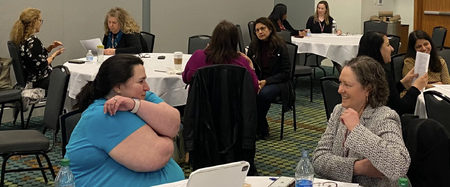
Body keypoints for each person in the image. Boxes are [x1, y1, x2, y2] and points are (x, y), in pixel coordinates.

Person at [65, 54, 184, 186]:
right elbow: (159, 155)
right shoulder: (106, 112)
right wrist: (167, 136)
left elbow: (174, 123)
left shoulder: (140, 97)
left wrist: (135, 106)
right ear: (118, 87)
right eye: (141, 81)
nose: (147, 87)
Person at [313, 56, 410, 186]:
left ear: (368, 89)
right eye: (340, 82)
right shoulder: (339, 111)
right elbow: (318, 160)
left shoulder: (384, 116)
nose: (340, 90)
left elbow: (399, 165)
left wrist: (357, 130)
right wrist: (356, 168)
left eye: (347, 85)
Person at [357, 31, 428, 116]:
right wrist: (416, 88)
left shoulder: (359, 68)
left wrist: (402, 84)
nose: (392, 49)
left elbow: (387, 96)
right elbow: (399, 109)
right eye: (387, 45)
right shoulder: (380, 73)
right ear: (377, 50)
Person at [182, 20, 259, 93]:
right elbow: (254, 89)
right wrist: (250, 65)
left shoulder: (198, 55)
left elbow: (185, 79)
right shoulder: (241, 61)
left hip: (199, 105)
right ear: (235, 41)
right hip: (232, 106)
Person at [247, 17, 293, 139]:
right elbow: (249, 68)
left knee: (263, 94)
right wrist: (256, 81)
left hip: (278, 82)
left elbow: (286, 73)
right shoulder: (253, 46)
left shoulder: (280, 45)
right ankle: (261, 125)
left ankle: (259, 127)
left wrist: (266, 82)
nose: (260, 32)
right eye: (257, 30)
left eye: (263, 28)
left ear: (270, 29)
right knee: (247, 92)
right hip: (259, 80)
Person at [9, 7, 65, 89]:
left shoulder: (23, 39)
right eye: (40, 21)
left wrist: (51, 47)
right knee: (66, 77)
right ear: (34, 22)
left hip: (32, 78)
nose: (40, 23)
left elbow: (35, 57)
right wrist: (54, 55)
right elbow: (42, 64)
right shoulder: (33, 42)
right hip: (41, 80)